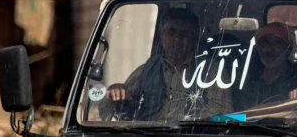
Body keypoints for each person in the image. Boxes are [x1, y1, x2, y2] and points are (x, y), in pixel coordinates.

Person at [99, 8, 231, 121]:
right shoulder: (148, 69)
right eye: (171, 32)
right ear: (161, 35)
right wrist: (116, 91)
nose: (177, 39)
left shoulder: (211, 71)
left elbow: (220, 114)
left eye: (184, 34)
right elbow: (109, 110)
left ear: (194, 39)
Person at [234, 22, 297, 109]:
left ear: (288, 49)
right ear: (258, 47)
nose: (270, 48)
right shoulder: (249, 78)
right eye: (265, 42)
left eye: (277, 43)